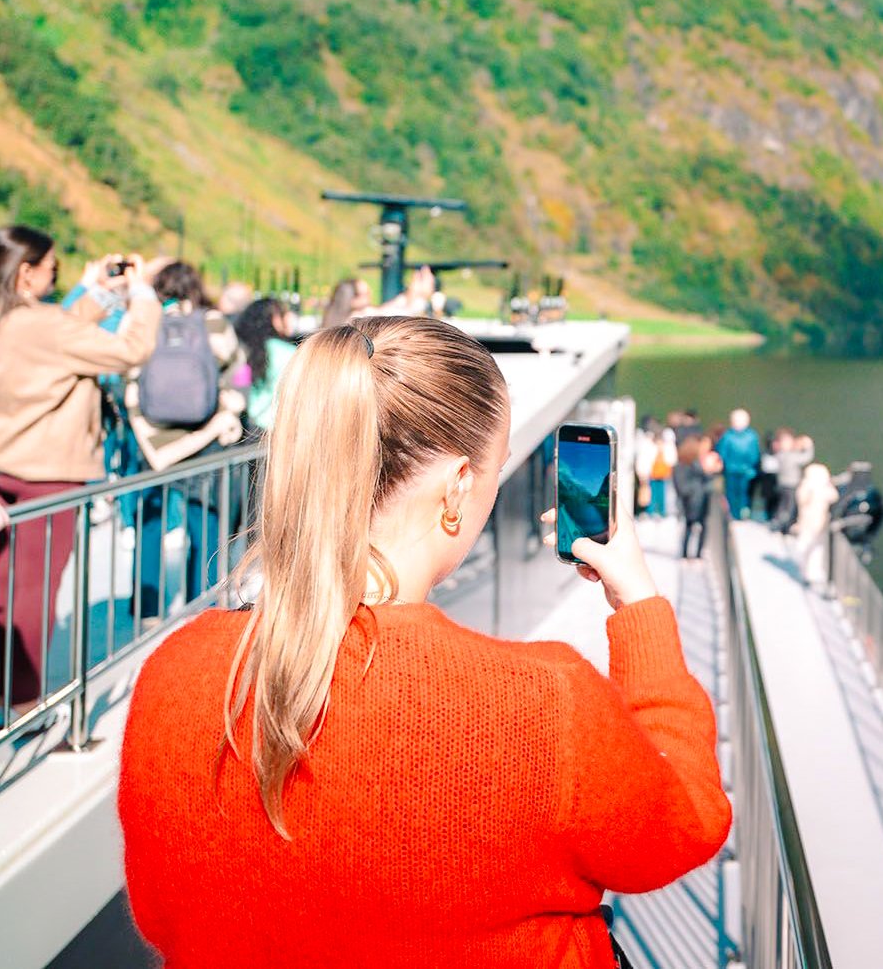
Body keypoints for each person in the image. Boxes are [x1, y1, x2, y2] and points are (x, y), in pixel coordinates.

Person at [118, 317, 730, 966]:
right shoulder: (547, 707)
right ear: (460, 485)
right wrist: (639, 606)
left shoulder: (174, 674)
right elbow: (686, 816)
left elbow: (162, 916)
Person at [0, 228, 159, 716]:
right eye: (52, 269)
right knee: (34, 590)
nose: (53, 276)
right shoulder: (43, 326)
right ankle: (21, 705)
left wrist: (98, 291)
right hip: (47, 471)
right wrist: (141, 295)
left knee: (2, 583)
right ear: (27, 272)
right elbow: (130, 350)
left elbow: (53, 335)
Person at [128, 262, 246, 614]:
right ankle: (203, 604)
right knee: (205, 523)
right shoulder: (212, 321)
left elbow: (127, 368)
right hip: (204, 435)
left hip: (151, 435)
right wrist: (232, 404)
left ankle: (147, 607)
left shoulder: (148, 322)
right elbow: (238, 367)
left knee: (149, 523)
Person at [233, 297, 298, 433]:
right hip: (280, 427)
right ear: (275, 320)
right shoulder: (289, 353)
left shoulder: (244, 351)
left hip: (249, 426)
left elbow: (240, 385)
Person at [794, 462, 839, 588]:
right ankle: (805, 571)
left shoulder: (823, 488)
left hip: (821, 522)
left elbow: (834, 497)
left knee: (817, 547)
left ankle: (813, 571)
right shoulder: (807, 487)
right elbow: (802, 500)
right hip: (808, 521)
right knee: (805, 546)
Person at [715, 409, 761, 522]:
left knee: (742, 493)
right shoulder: (730, 436)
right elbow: (722, 453)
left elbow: (755, 454)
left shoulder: (748, 436)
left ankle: (740, 513)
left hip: (742, 470)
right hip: (735, 470)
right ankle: (737, 513)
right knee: (735, 492)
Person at [670, 437, 711, 560]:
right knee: (689, 528)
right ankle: (685, 553)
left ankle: (697, 553)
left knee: (700, 528)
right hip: (689, 503)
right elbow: (682, 488)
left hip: (698, 502)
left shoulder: (695, 465)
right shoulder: (681, 467)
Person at [770, 431, 814, 534]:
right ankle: (784, 526)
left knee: (783, 505)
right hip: (791, 486)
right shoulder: (790, 457)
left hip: (782, 485)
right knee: (790, 507)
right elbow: (806, 457)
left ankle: (778, 523)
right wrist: (809, 446)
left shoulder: (780, 455)